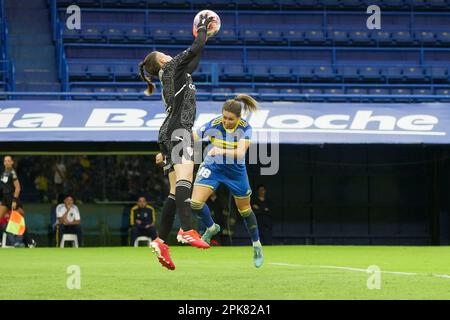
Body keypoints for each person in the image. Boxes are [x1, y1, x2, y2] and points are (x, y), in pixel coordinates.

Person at [139, 14, 215, 269]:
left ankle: (160, 241)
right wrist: (202, 28)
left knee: (174, 191)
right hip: (179, 129)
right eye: (165, 54)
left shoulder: (175, 73)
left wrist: (204, 37)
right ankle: (185, 229)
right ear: (161, 60)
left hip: (169, 132)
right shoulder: (170, 68)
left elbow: (194, 57)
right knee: (186, 180)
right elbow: (196, 49)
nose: (169, 55)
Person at [190, 94, 264, 268]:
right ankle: (211, 227)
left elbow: (239, 153)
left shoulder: (246, 129)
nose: (226, 121)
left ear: (239, 118)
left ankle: (256, 245)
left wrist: (220, 151)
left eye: (230, 119)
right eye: (224, 117)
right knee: (195, 203)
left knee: (244, 210)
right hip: (214, 167)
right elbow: (193, 136)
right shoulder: (215, 124)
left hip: (235, 172)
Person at [0, 155, 36, 248]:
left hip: (12, 199)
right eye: (5, 161)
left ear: (12, 162)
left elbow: (18, 187)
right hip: (5, 199)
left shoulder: (13, 172)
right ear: (4, 163)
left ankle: (30, 242)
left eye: (9, 161)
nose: (7, 162)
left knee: (19, 221)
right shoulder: (3, 173)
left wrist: (15, 200)